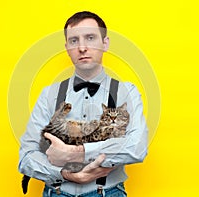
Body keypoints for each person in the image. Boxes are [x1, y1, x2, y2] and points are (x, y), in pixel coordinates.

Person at [18, 11, 148, 197]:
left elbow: (136, 148)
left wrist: (76, 153)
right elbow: (26, 157)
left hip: (107, 192)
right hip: (56, 191)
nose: (82, 47)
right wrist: (64, 173)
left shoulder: (126, 92)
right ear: (67, 47)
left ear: (105, 43)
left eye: (90, 38)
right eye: (74, 41)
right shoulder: (49, 94)